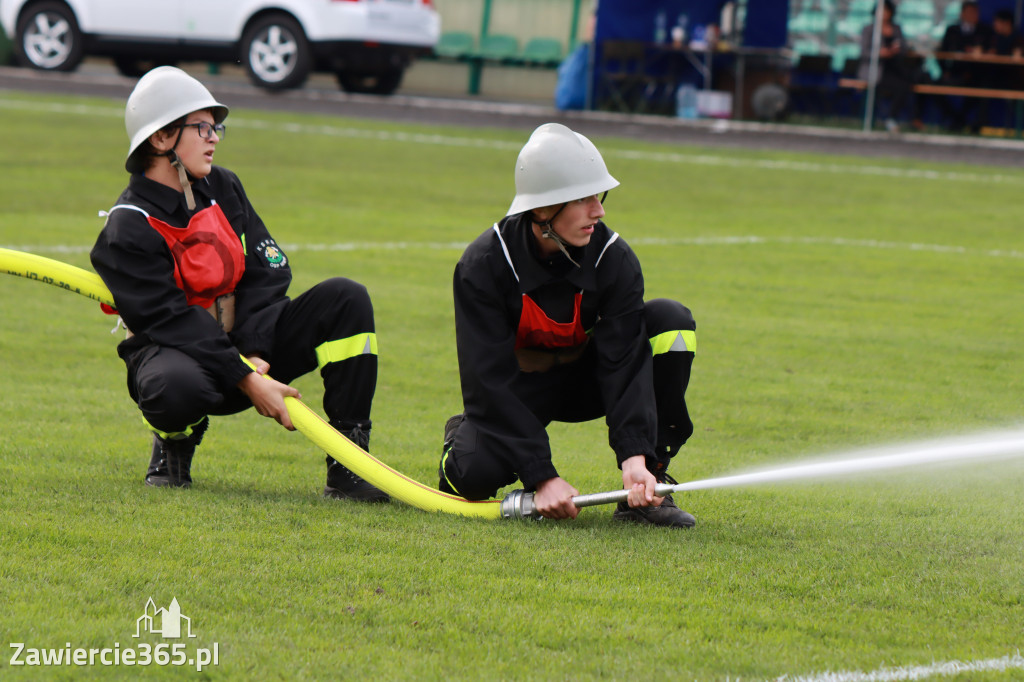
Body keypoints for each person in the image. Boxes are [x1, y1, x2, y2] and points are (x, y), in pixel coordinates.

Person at [90, 66, 388, 501]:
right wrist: (245, 377)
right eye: (202, 127)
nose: (214, 137)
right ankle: (173, 446)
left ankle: (349, 465)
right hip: (184, 361)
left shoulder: (223, 187)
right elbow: (174, 322)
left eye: (216, 128)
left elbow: (268, 273)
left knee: (345, 298)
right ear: (161, 139)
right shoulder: (127, 229)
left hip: (251, 349)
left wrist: (255, 352)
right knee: (174, 387)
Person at [437, 123, 698, 527]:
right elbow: (486, 381)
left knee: (671, 323)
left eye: (600, 195)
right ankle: (461, 437)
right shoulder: (484, 265)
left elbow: (624, 362)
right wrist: (541, 475)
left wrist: (635, 456)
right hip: (518, 392)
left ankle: (650, 484)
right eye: (583, 198)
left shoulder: (615, 259)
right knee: (472, 475)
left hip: (590, 384)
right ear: (542, 210)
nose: (599, 210)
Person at [858, 1, 920, 133]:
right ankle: (889, 119)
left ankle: (892, 118)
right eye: (881, 11)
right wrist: (880, 53)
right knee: (899, 85)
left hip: (895, 68)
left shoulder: (896, 29)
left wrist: (895, 50)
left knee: (907, 83)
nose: (883, 14)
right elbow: (863, 52)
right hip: (876, 70)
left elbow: (904, 48)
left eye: (886, 11)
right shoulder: (869, 29)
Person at [937, 0, 993, 131]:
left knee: (981, 88)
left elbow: (992, 51)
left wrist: (981, 52)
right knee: (932, 85)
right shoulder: (952, 30)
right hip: (954, 73)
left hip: (976, 74)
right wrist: (945, 70)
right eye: (968, 12)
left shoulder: (985, 30)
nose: (972, 15)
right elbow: (942, 53)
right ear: (962, 14)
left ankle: (968, 123)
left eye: (974, 12)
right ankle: (956, 119)